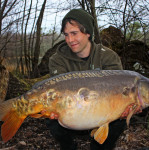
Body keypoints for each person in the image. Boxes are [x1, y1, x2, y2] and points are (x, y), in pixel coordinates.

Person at [46, 9, 126, 150]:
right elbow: (56, 92)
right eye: (66, 35)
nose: (70, 40)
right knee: (50, 117)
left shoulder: (108, 57)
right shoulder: (57, 60)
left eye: (74, 33)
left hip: (102, 114)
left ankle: (99, 146)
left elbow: (120, 91)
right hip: (71, 115)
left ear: (88, 33)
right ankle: (68, 145)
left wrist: (125, 108)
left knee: (119, 120)